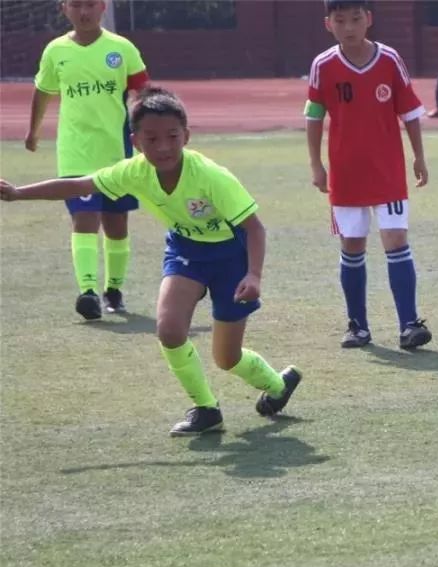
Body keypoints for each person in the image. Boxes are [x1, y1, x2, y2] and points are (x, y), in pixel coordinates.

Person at [1, 87, 303, 437]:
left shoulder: (210, 175)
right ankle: (207, 410)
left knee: (227, 358)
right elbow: (79, 185)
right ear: (136, 140)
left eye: (172, 137)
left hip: (230, 257)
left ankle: (278, 385)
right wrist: (19, 193)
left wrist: (253, 273)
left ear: (186, 136)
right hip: (186, 252)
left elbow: (254, 227)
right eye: (151, 138)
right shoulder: (133, 171)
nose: (162, 147)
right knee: (170, 330)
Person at [306, 0, 432, 350]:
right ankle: (357, 326)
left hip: (387, 171)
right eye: (341, 20)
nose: (349, 27)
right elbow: (314, 118)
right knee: (353, 246)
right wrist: (316, 165)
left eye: (356, 19)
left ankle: (409, 324)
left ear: (369, 20)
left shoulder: (389, 59)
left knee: (397, 242)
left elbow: (409, 112)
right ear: (328, 23)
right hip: (346, 175)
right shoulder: (323, 65)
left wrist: (419, 156)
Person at [26, 0, 149, 319]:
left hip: (117, 152)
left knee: (116, 224)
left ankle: (114, 291)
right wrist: (33, 132)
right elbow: (42, 91)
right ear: (64, 8)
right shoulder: (55, 51)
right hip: (76, 153)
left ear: (103, 7)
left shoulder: (122, 48)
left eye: (90, 4)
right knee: (85, 219)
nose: (84, 11)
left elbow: (141, 92)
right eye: (76, 5)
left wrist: (145, 130)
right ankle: (88, 292)